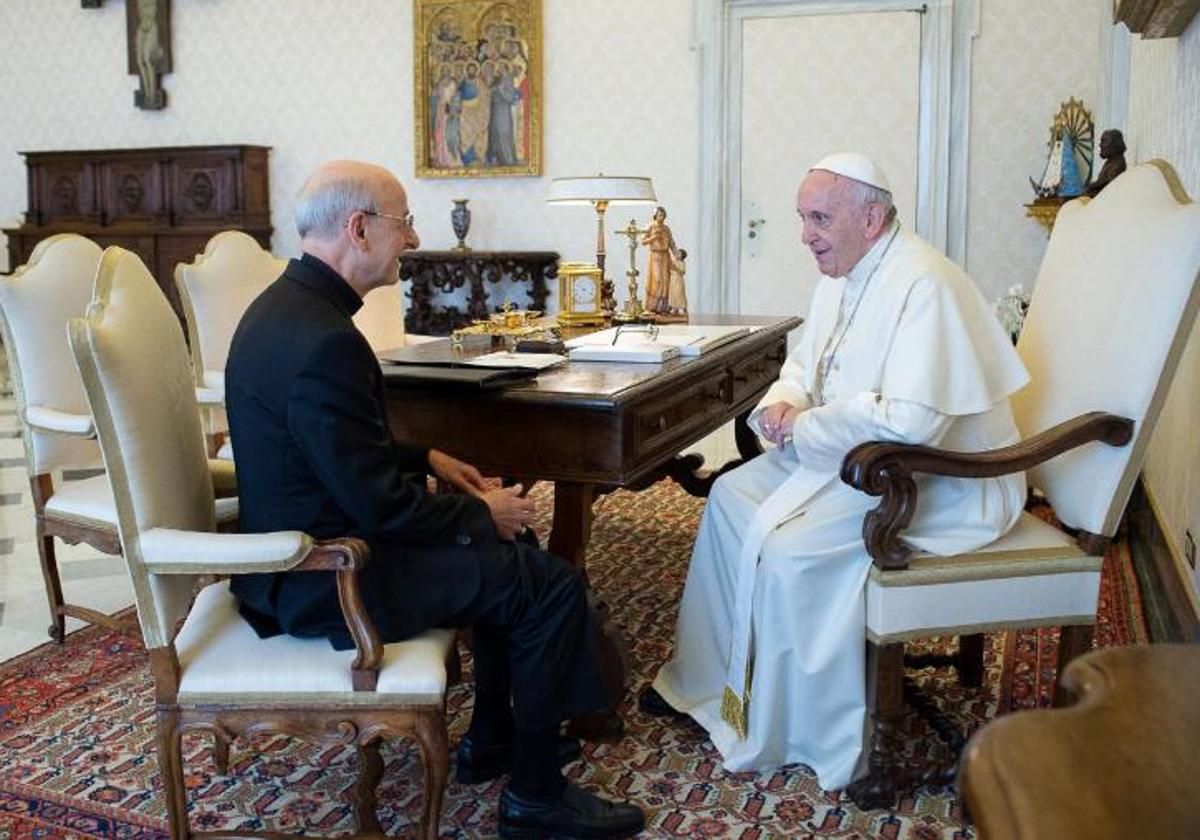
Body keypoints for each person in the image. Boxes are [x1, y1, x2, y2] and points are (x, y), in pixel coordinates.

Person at [224, 161, 644, 840]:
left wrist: (427, 458)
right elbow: (383, 510)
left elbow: (334, 455)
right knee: (551, 585)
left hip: (312, 554)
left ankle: (493, 737)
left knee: (518, 552)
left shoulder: (287, 309)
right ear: (358, 230)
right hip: (326, 576)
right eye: (403, 223)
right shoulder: (325, 340)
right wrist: (483, 512)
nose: (414, 238)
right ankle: (536, 798)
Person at [642, 153, 1029, 790]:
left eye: (819, 217)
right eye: (803, 217)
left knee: (792, 549)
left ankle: (801, 728)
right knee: (730, 496)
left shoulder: (923, 282)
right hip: (858, 462)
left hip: (941, 481)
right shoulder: (841, 274)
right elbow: (803, 367)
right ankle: (707, 684)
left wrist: (805, 428)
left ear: (871, 218)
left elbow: (911, 423)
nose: (805, 233)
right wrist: (779, 406)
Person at [640, 206, 684, 315]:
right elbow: (643, 241)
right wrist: (653, 238)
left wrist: (676, 254)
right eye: (659, 215)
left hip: (665, 256)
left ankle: (664, 307)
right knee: (657, 280)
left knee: (666, 280)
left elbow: (672, 244)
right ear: (655, 215)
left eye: (663, 215)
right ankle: (652, 306)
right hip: (655, 256)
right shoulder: (650, 227)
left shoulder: (666, 229)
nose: (661, 217)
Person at [1085, 128, 1127, 197]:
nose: (1100, 145)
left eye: (1104, 141)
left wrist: (1091, 187)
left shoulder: (1118, 163)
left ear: (1115, 143)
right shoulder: (1110, 162)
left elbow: (1107, 186)